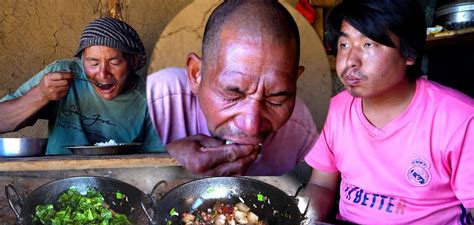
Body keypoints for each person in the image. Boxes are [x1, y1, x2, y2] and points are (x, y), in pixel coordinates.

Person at [303, 0, 473, 225]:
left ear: (409, 53)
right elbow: (321, 185)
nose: (350, 61)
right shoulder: (334, 111)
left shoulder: (459, 119)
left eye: (369, 44)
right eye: (344, 44)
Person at [147, 0, 318, 176]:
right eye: (232, 95)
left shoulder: (302, 130)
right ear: (196, 74)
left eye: (276, 99)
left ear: (294, 82)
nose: (251, 126)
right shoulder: (156, 99)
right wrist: (167, 159)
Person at [0, 17, 164, 154]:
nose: (102, 74)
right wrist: (40, 95)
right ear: (82, 61)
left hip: (118, 187)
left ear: (133, 62)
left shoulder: (153, 102)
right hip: (56, 183)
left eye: (114, 62)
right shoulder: (61, 75)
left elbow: (156, 166)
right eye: (93, 63)